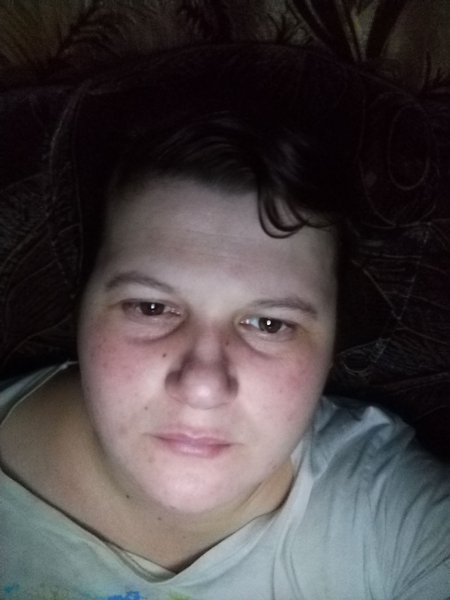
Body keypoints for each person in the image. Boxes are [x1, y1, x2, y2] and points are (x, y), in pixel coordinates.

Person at [0, 109, 449, 600]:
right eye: (151, 307)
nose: (202, 385)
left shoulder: (394, 512)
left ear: (332, 347)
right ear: (80, 310)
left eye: (270, 324)